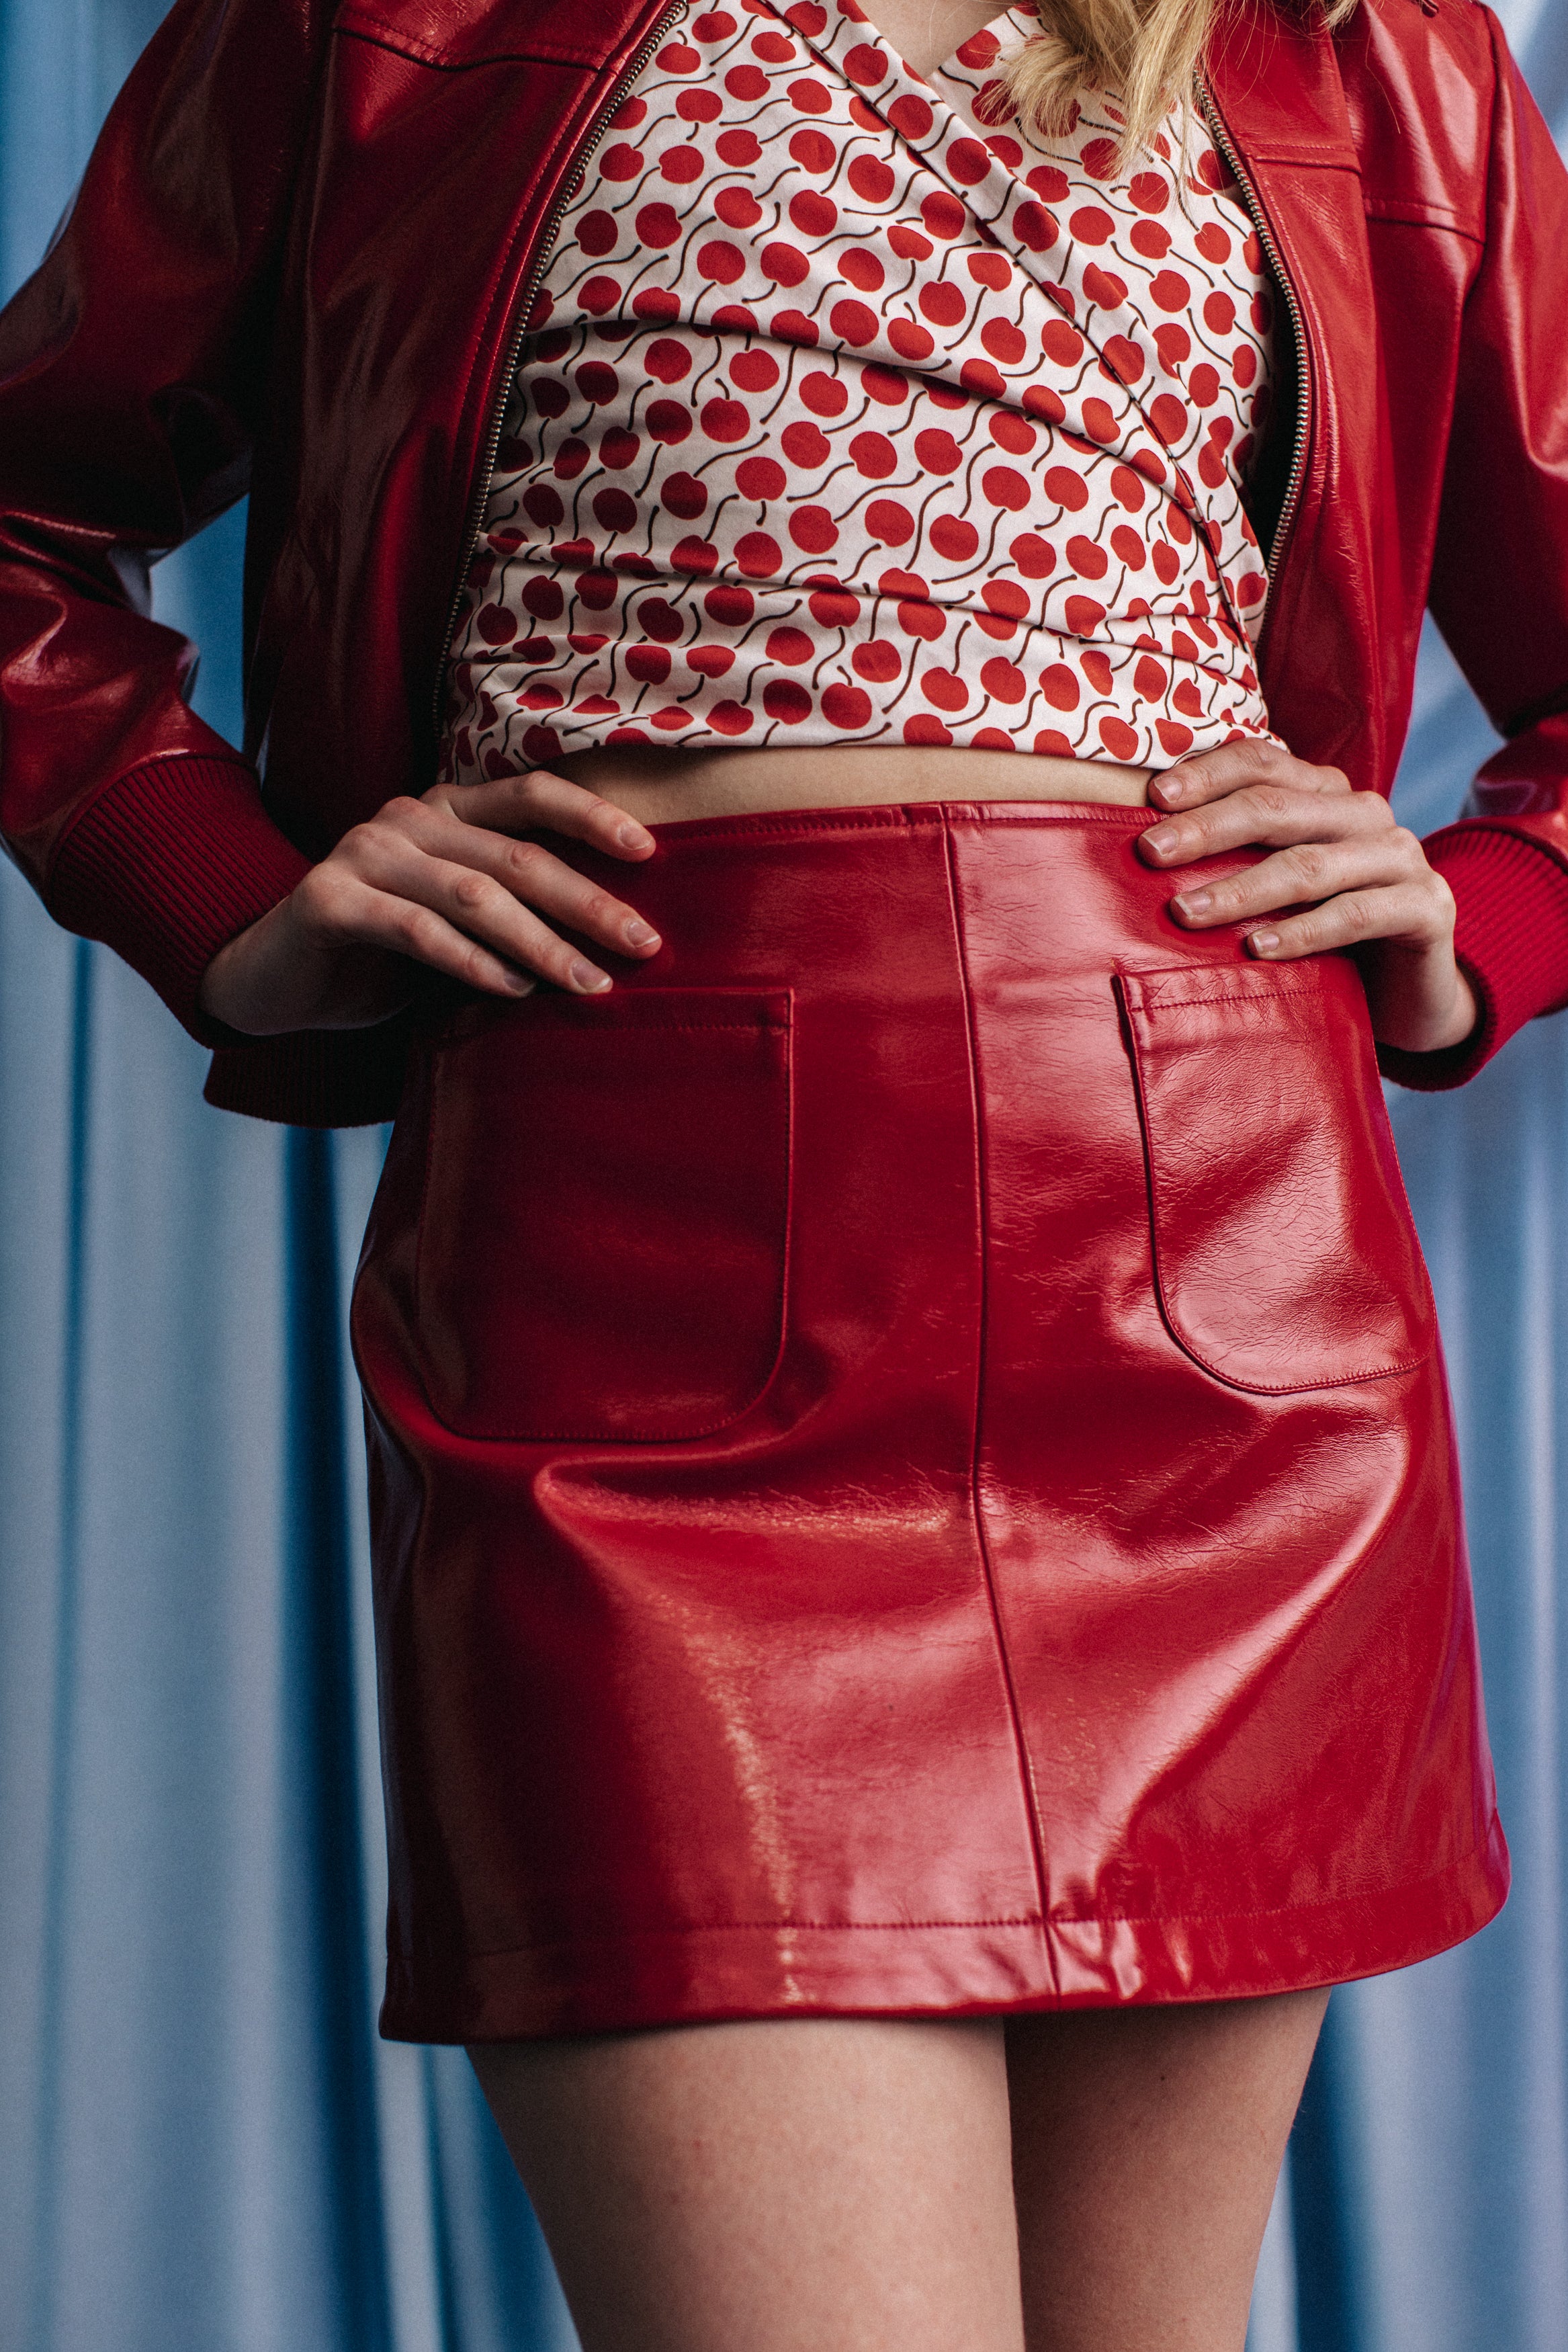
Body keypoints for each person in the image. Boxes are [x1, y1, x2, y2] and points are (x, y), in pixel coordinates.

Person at [1, 0, 1563, 2341]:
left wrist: (1480, 911)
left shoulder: (1357, 41)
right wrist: (215, 896)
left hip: (1220, 1320)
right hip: (632, 1313)